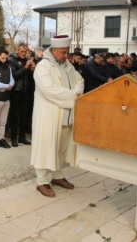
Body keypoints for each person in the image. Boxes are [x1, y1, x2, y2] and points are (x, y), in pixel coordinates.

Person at [31, 35, 84, 197]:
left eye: (67, 52)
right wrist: (73, 96)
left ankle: (57, 176)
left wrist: (75, 92)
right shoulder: (43, 66)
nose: (66, 55)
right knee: (46, 147)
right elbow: (49, 89)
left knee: (61, 148)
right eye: (63, 52)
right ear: (53, 50)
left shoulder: (68, 65)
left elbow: (80, 80)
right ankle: (42, 181)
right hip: (50, 115)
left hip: (67, 115)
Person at [8, 43, 35, 147]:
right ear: (17, 50)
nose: (24, 53)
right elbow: (14, 75)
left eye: (26, 52)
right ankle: (14, 138)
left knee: (24, 116)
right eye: (22, 51)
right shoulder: (11, 60)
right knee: (15, 116)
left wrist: (32, 69)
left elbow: (30, 77)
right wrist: (26, 67)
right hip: (16, 91)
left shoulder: (28, 60)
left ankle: (22, 137)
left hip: (26, 91)